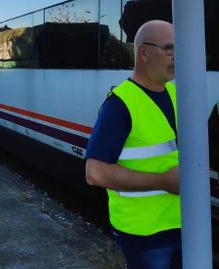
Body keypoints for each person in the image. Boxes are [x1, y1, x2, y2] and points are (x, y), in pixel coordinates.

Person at [85, 20, 181, 268]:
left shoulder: (173, 93)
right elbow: (94, 173)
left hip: (180, 221)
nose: (176, 56)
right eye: (169, 48)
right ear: (144, 52)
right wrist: (163, 182)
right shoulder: (119, 105)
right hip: (145, 232)